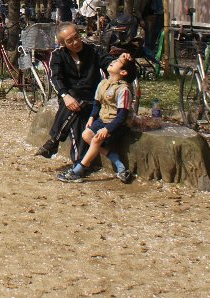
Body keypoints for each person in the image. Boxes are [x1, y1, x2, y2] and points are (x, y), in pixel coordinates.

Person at [58, 52, 136, 184]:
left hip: (117, 124)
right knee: (86, 135)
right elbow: (97, 103)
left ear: (123, 72)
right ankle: (116, 160)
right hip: (103, 119)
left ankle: (78, 170)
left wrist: (107, 129)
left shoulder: (124, 90)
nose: (113, 61)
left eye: (117, 62)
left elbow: (122, 115)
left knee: (95, 140)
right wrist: (92, 118)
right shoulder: (103, 83)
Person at [35, 23, 105, 163]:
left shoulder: (94, 50)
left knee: (76, 103)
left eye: (77, 37)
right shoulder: (58, 56)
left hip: (92, 97)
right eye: (70, 41)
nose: (76, 42)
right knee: (76, 116)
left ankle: (54, 141)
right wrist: (65, 96)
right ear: (62, 44)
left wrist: (121, 61)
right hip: (69, 98)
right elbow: (55, 78)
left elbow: (108, 61)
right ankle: (80, 163)